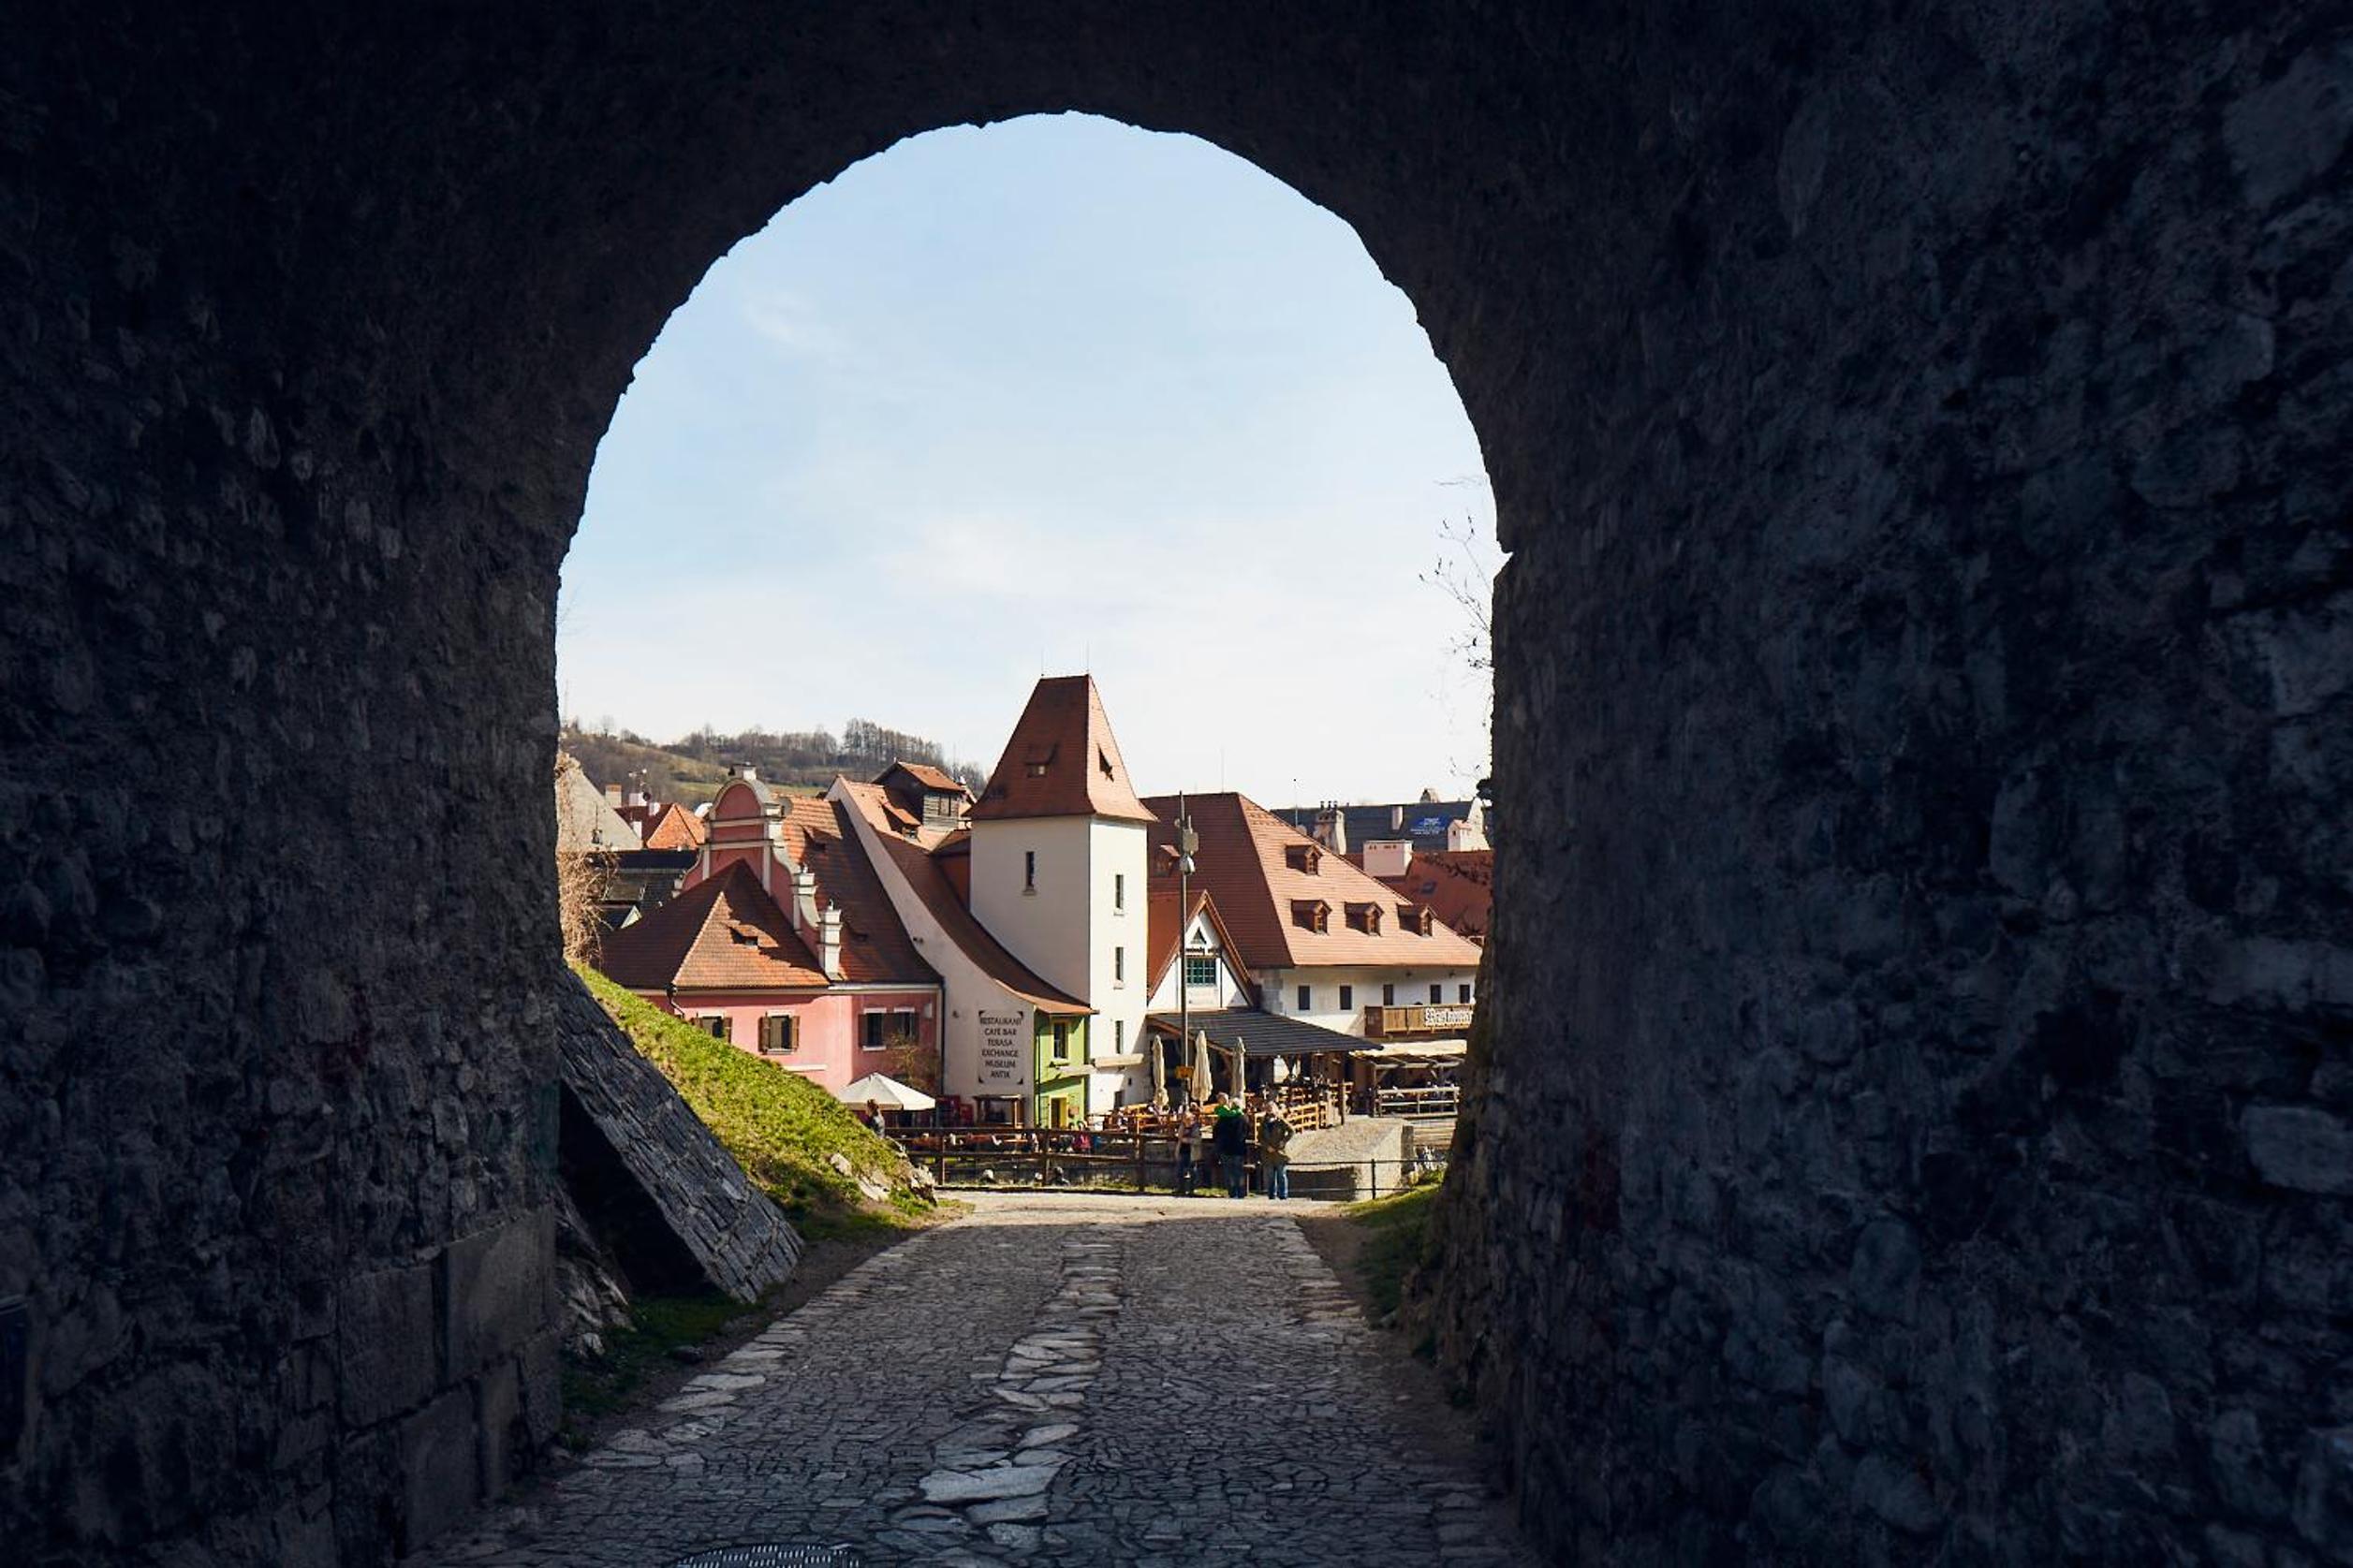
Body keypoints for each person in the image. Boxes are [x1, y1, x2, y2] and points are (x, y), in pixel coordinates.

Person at [1210, 1093, 1251, 1199]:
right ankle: (1241, 1192)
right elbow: (1247, 1132)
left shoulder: (1223, 1118)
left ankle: (1232, 1192)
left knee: (1229, 1172)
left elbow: (1216, 1132)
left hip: (1226, 1148)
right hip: (1239, 1148)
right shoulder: (1244, 1118)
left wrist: (1218, 1142)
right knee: (1239, 1171)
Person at [1258, 1105, 1294, 1200]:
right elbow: (1260, 1137)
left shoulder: (1280, 1121)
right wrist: (1266, 1146)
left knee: (1281, 1175)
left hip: (1279, 1152)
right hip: (1268, 1153)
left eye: (1271, 1108)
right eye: (1268, 1108)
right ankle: (1271, 1195)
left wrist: (1284, 1141)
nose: (1270, 1110)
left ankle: (1283, 1195)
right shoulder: (1263, 1122)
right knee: (1270, 1176)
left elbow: (1291, 1131)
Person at [1173, 1109, 1199, 1195]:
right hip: (1182, 1151)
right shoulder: (1182, 1127)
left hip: (1192, 1152)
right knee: (1180, 1171)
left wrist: (1188, 1140)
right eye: (1184, 1118)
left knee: (1193, 1172)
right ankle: (1181, 1189)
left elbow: (1198, 1141)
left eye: (1187, 1118)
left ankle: (1192, 1189)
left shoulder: (1195, 1128)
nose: (1186, 1120)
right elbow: (1179, 1139)